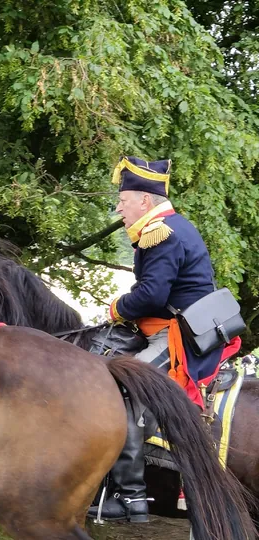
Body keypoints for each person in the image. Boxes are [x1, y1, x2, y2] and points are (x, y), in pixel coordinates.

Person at [87, 156, 221, 522]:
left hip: (178, 338)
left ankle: (132, 497)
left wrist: (116, 308)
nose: (119, 207)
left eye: (123, 200)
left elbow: (151, 296)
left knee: (121, 389)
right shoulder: (166, 227)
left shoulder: (161, 232)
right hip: (162, 327)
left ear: (144, 201)